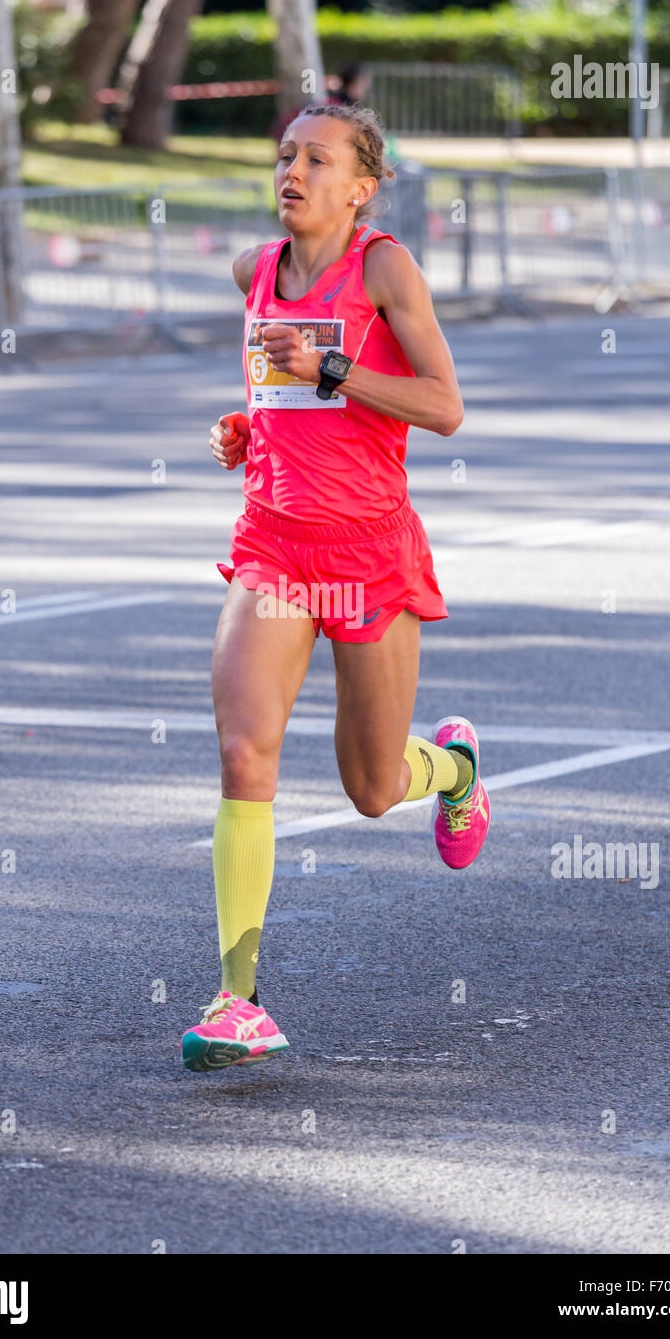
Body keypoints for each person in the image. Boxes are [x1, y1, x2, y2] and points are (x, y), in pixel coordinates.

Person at [181, 103, 490, 1074]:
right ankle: (239, 998)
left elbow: (442, 406)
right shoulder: (254, 272)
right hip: (272, 544)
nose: (292, 171)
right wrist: (248, 425)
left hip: (366, 551)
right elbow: (273, 383)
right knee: (243, 749)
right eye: (283, 155)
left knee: (369, 786)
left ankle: (451, 770)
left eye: (316, 159)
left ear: (359, 186)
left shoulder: (385, 267)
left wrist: (333, 370)